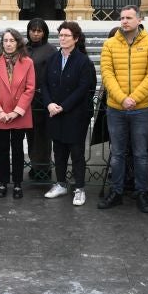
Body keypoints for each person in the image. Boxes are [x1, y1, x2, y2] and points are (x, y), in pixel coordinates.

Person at [98, 6, 148, 213]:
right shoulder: (109, 44)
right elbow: (107, 74)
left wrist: (133, 98)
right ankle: (116, 192)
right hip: (116, 108)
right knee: (117, 153)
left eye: (129, 17)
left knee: (141, 154)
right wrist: (122, 98)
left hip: (142, 108)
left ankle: (142, 192)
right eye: (122, 18)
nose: (125, 21)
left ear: (139, 19)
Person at [43, 21, 96, 206]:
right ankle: (61, 183)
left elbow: (83, 88)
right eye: (60, 35)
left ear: (75, 38)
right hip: (54, 113)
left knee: (77, 152)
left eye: (66, 35)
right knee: (58, 151)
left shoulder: (83, 61)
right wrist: (49, 103)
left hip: (75, 114)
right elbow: (44, 84)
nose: (62, 38)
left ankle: (79, 188)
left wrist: (63, 106)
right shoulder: (53, 58)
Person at [0, 28, 36, 199]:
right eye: (5, 41)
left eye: (12, 40)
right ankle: (2, 182)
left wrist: (16, 112)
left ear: (18, 42)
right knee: (1, 149)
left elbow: (30, 89)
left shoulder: (28, 62)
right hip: (0, 113)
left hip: (18, 114)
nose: (8, 44)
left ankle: (17, 183)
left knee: (17, 149)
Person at [25, 18, 56, 183]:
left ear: (44, 33)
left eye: (39, 31)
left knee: (42, 136)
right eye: (33, 30)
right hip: (26, 100)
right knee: (30, 135)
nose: (35, 34)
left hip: (42, 99)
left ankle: (43, 169)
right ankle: (34, 166)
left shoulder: (50, 50)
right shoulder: (24, 48)